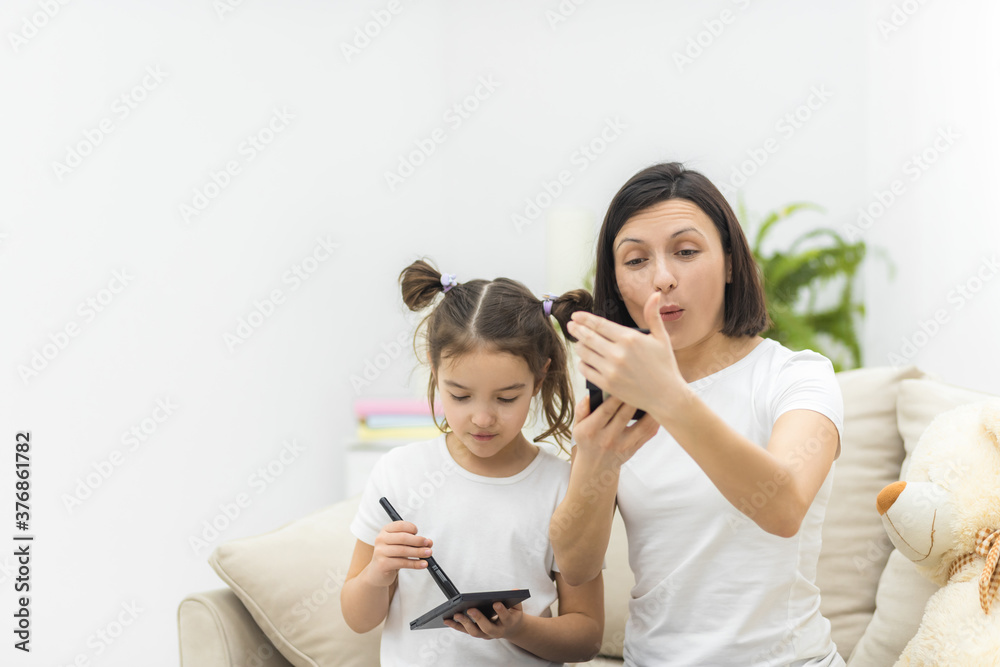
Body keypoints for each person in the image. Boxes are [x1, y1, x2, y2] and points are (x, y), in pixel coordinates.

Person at [550, 162, 846, 666]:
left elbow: (783, 507)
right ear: (616, 280)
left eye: (686, 252)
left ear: (730, 263)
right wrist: (596, 459)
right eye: (636, 260)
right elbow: (575, 567)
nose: (663, 278)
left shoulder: (795, 376)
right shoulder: (615, 399)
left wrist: (668, 395)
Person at [341, 259, 605, 666]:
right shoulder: (399, 473)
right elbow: (358, 619)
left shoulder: (561, 485)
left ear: (539, 378)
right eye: (460, 396)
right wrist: (379, 572)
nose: (482, 418)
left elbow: (586, 636)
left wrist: (518, 628)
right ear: (434, 367)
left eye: (506, 398)